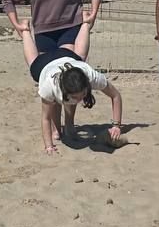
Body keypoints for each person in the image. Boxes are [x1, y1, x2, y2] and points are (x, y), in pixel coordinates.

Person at [21, 19, 122, 155]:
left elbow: (115, 96)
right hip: (44, 64)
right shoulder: (49, 86)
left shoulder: (90, 75)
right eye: (75, 97)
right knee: (32, 62)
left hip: (68, 56)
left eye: (82, 95)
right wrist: (49, 146)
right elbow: (45, 118)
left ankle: (86, 24)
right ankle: (25, 31)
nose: (79, 100)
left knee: (80, 56)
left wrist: (116, 126)